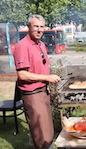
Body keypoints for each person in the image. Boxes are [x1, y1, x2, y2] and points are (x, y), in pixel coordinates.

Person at [13, 15, 61, 149]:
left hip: (43, 92)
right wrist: (47, 78)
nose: (39, 30)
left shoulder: (40, 44)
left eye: (41, 27)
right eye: (36, 26)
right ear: (28, 27)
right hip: (33, 94)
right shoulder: (23, 46)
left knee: (45, 129)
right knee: (42, 136)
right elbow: (22, 74)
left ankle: (37, 143)